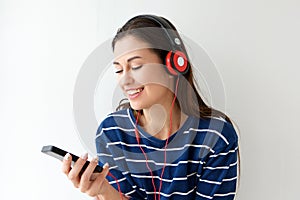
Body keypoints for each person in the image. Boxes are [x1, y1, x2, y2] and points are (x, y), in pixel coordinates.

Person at [62, 14, 239, 200]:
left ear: (173, 66)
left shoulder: (215, 138)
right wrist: (105, 193)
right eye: (119, 70)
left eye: (136, 66)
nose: (125, 80)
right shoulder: (112, 134)